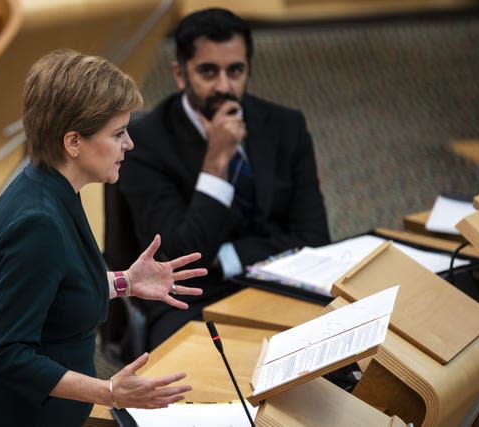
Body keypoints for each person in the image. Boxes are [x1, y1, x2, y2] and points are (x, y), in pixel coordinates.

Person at [0, 49, 207, 427]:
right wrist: (107, 392)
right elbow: (9, 354)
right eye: (118, 133)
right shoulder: (37, 223)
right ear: (73, 142)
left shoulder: (49, 189)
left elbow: (55, 292)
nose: (129, 144)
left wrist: (126, 282)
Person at [117, 8, 330, 350]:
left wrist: (229, 256)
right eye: (207, 71)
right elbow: (180, 260)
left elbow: (315, 240)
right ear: (180, 75)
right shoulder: (145, 144)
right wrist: (217, 160)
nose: (223, 86)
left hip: (280, 286)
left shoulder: (285, 126)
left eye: (235, 70)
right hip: (189, 303)